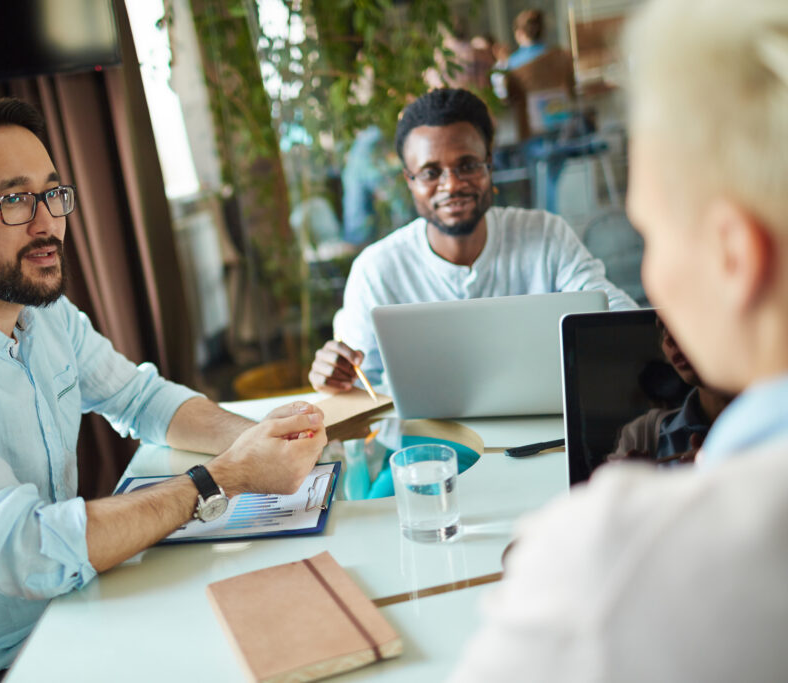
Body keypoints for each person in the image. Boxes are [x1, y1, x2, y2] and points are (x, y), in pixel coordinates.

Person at [0, 98, 327, 682]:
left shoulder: (41, 311)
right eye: (13, 200)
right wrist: (227, 477)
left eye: (51, 194)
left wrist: (268, 441)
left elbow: (140, 399)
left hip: (68, 618)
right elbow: (26, 552)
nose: (47, 224)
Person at [449, 0, 788, 679]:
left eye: (652, 234)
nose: (654, 274)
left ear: (733, 255)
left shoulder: (619, 564)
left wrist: (567, 563)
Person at [308, 87, 635, 393]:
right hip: (428, 448)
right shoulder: (376, 269)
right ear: (409, 180)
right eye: (430, 172)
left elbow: (616, 315)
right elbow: (360, 383)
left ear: (489, 165)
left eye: (467, 165)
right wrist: (335, 375)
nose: (451, 185)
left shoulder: (545, 235)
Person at [608, 318, 734, 465]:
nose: (668, 340)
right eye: (663, 328)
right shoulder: (641, 437)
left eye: (683, 321)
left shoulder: (764, 427)